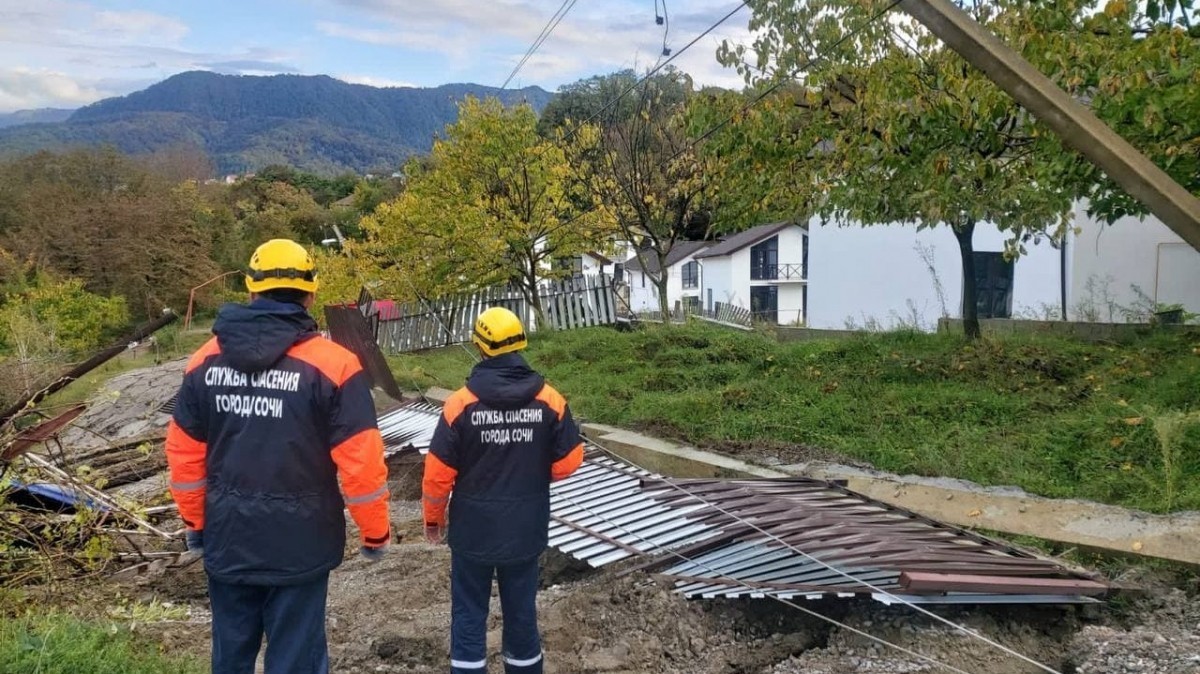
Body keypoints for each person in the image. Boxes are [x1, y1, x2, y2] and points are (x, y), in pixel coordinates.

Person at [165, 238, 391, 674]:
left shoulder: (202, 362)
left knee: (230, 656)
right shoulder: (336, 365)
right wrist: (375, 533)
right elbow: (361, 462)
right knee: (297, 660)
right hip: (301, 545)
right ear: (311, 293)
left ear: (250, 291)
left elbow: (184, 453)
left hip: (228, 540)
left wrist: (196, 523)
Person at [423, 307, 584, 674]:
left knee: (468, 613)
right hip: (525, 530)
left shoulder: (459, 404)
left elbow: (436, 475)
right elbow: (570, 462)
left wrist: (433, 520)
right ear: (521, 344)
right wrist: (530, 470)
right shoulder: (550, 399)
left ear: (480, 348)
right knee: (522, 614)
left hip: (472, 532)